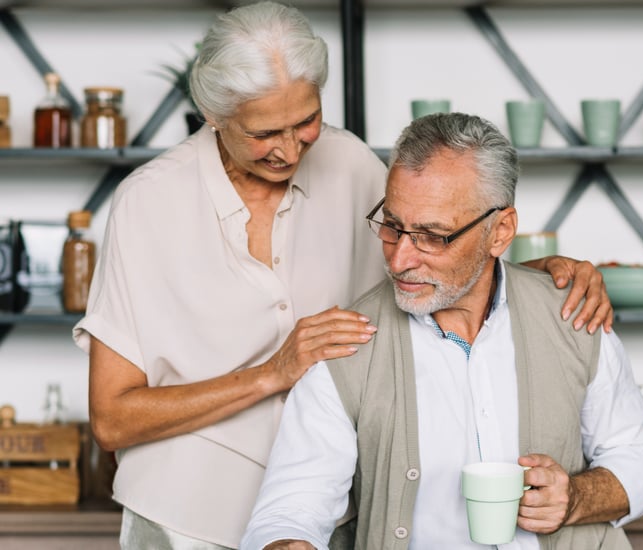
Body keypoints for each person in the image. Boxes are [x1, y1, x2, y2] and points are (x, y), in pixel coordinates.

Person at [73, 3, 615, 549]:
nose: (289, 150)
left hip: (331, 522)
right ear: (214, 114)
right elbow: (113, 419)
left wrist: (538, 276)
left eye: (305, 121)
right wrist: (272, 373)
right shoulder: (148, 202)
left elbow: (437, 247)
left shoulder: (353, 164)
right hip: (185, 522)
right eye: (265, 132)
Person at [241, 113, 643, 550]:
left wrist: (576, 498)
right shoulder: (344, 347)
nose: (400, 258)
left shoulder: (575, 317)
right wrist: (287, 542)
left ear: (499, 232)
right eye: (392, 226)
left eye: (432, 236)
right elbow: (291, 508)